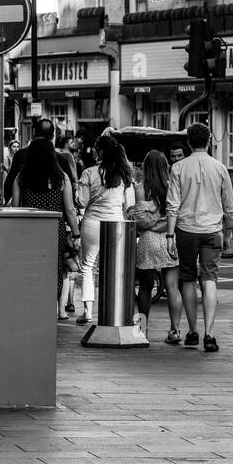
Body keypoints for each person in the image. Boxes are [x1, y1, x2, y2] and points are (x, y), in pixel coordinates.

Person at [166, 124, 233, 352]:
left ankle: (193, 331)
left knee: (187, 278)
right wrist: (228, 231)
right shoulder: (220, 167)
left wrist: (169, 233)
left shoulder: (178, 167)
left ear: (188, 142)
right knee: (209, 279)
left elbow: (172, 205)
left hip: (186, 230)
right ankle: (210, 334)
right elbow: (230, 205)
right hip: (213, 229)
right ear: (209, 141)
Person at [12, 137, 81, 321]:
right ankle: (51, 308)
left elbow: (16, 207)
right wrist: (76, 234)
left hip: (27, 230)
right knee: (54, 269)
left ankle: (31, 306)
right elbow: (69, 210)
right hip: (54, 230)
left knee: (29, 269)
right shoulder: (61, 178)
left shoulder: (21, 177)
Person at [76, 134, 136, 326]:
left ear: (100, 151)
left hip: (92, 223)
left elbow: (82, 201)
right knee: (112, 268)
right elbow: (130, 204)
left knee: (87, 267)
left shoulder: (89, 172)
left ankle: (87, 311)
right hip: (116, 223)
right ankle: (113, 309)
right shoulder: (124, 174)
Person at [130, 150, 177, 339]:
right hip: (169, 238)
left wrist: (150, 220)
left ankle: (142, 329)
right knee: (173, 287)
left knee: (145, 287)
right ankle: (175, 330)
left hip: (148, 239)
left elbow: (142, 221)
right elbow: (176, 215)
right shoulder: (172, 186)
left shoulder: (140, 188)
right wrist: (164, 224)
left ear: (146, 167)